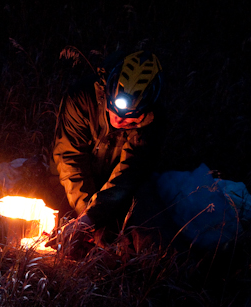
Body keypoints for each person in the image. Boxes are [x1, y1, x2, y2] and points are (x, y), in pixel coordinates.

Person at [46, 50, 165, 249]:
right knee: (53, 223)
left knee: (138, 236)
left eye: (130, 119)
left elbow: (129, 173)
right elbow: (70, 158)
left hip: (117, 190)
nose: (118, 120)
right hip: (72, 185)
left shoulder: (152, 122)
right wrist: (87, 216)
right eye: (113, 109)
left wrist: (93, 217)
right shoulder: (82, 97)